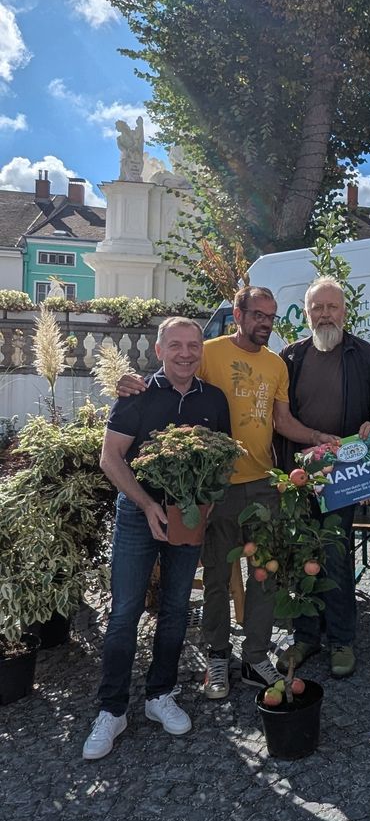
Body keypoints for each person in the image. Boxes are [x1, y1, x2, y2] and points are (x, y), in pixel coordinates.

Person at [115, 287, 331, 701]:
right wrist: (132, 380)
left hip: (264, 484)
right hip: (213, 490)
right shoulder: (207, 351)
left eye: (271, 317)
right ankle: (218, 654)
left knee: (263, 573)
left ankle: (255, 657)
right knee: (216, 575)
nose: (265, 323)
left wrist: (320, 437)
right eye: (258, 315)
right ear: (238, 314)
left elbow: (282, 421)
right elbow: (172, 376)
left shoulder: (276, 365)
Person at [83, 317, 231, 760]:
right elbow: (111, 458)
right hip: (136, 516)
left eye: (193, 346)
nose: (186, 353)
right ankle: (111, 710)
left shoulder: (215, 400)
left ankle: (159, 695)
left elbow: (222, 458)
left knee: (175, 608)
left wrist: (204, 504)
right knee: (125, 611)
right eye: (176, 345)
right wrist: (147, 505)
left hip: (186, 517)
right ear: (159, 350)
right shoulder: (139, 395)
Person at [277, 277, 370, 679]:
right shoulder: (291, 357)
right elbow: (280, 416)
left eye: (332, 307)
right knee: (302, 555)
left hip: (344, 473)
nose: (325, 314)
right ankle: (307, 635)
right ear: (307, 313)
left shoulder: (365, 355)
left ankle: (342, 639)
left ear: (345, 311)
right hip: (300, 473)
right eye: (317, 308)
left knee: (335, 554)